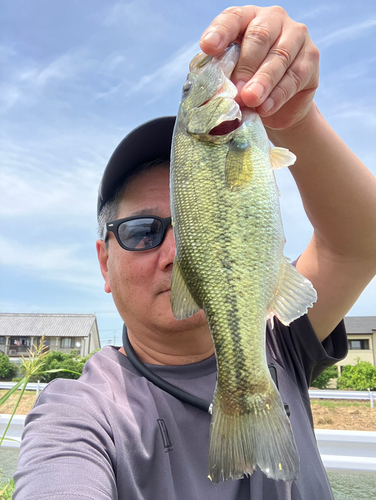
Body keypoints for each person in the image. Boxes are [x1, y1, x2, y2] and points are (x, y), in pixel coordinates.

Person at [13, 5, 376, 500]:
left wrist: (299, 119)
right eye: (143, 231)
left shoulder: (281, 342)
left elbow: (361, 242)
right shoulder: (81, 413)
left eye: (189, 224)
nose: (174, 252)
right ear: (104, 262)